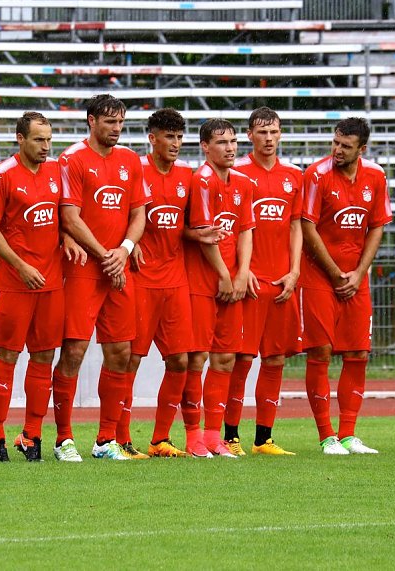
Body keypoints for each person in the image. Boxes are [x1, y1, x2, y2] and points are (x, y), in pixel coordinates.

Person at [117, 108, 226, 458]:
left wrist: (201, 235)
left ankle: (160, 439)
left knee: (180, 361)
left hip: (176, 281)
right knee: (130, 361)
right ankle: (119, 438)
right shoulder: (137, 171)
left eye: (180, 137)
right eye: (169, 137)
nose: (175, 144)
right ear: (153, 139)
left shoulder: (187, 176)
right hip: (141, 281)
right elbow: (123, 217)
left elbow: (186, 227)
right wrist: (127, 245)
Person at [0, 112, 84, 462]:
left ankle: (31, 435)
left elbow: (62, 217)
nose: (46, 147)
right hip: (16, 284)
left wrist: (67, 237)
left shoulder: (56, 172)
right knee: (7, 356)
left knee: (44, 357)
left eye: (49, 140)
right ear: (20, 139)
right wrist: (20, 265)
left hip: (52, 284)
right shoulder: (2, 175)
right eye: (39, 140)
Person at [52, 94, 150, 461]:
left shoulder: (129, 161)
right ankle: (63, 440)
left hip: (117, 268)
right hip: (82, 270)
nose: (117, 129)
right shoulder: (72, 159)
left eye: (121, 122)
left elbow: (139, 214)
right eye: (110, 122)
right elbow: (70, 217)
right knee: (74, 350)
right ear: (91, 121)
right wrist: (104, 254)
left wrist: (123, 250)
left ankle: (105, 440)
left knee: (121, 352)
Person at [301, 117, 391, 455]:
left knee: (358, 353)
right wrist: (336, 272)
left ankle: (349, 433)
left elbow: (377, 226)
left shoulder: (376, 176)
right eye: (335, 143)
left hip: (356, 277)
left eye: (346, 146)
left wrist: (359, 273)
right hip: (319, 276)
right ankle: (326, 436)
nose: (337, 150)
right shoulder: (317, 175)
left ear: (362, 149)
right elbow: (308, 228)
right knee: (321, 351)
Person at [229, 106, 303, 456]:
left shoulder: (293, 175)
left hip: (282, 282)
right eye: (261, 132)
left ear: (281, 133)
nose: (268, 138)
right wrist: (244, 270)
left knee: (275, 360)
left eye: (274, 132)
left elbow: (295, 225)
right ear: (250, 135)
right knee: (241, 360)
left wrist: (295, 271)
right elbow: (236, 226)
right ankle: (230, 436)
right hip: (250, 282)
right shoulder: (238, 173)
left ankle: (264, 438)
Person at [183, 118, 255, 458]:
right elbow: (206, 235)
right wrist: (225, 275)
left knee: (225, 358)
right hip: (203, 282)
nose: (230, 148)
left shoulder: (243, 183)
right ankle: (193, 436)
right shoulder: (202, 181)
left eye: (233, 141)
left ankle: (214, 436)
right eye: (221, 142)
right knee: (197, 358)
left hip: (231, 281)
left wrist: (242, 274)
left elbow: (244, 231)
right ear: (205, 147)